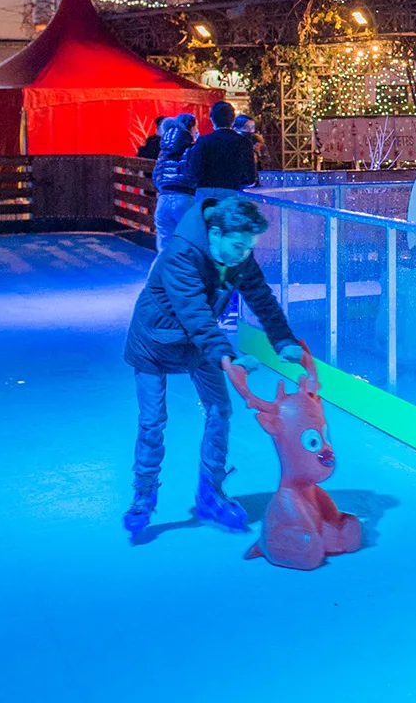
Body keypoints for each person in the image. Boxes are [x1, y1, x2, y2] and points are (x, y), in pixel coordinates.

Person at [122, 193, 301, 535]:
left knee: (220, 410)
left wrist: (283, 340)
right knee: (153, 420)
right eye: (239, 246)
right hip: (154, 342)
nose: (244, 255)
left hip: (197, 343)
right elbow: (196, 314)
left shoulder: (237, 254)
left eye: (249, 248)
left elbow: (261, 297)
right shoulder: (180, 255)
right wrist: (228, 357)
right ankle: (143, 496)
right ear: (215, 233)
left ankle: (211, 494)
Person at [182, 100, 259, 194]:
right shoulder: (244, 142)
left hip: (206, 194)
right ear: (233, 120)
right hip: (232, 194)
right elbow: (250, 178)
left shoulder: (203, 141)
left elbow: (194, 172)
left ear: (212, 119)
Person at [151, 114, 199, 246]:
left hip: (163, 199)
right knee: (188, 244)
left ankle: (163, 267)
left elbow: (156, 175)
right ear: (190, 127)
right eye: (195, 127)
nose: (196, 131)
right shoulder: (191, 149)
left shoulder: (163, 151)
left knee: (165, 248)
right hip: (184, 198)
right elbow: (194, 172)